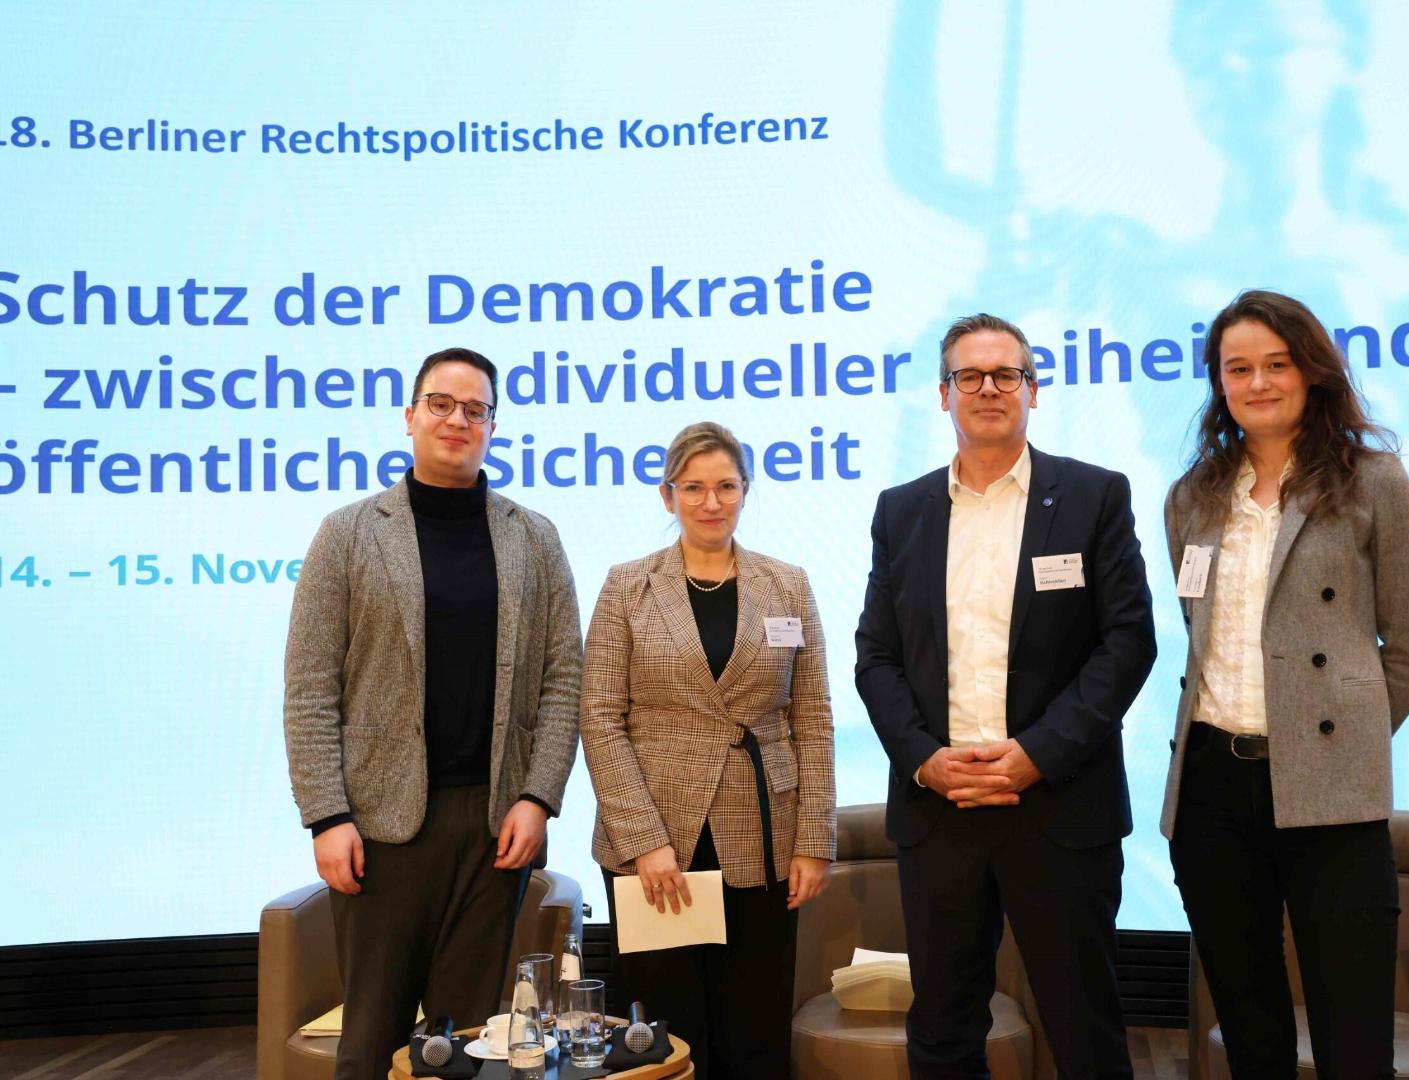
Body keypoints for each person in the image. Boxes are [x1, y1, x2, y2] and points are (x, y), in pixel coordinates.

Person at [855, 313, 1156, 1079]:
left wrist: (1036, 754)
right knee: (943, 1033)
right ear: (943, 394)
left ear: (1032, 389)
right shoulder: (901, 510)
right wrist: (924, 760)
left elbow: (1127, 643)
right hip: (940, 810)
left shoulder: (1093, 496)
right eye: (969, 376)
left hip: (1058, 806)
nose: (987, 388)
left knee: (1083, 1031)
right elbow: (876, 657)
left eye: (1005, 374)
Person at [1160, 289, 1409, 1079]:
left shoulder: (1372, 482)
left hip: (1329, 786)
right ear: (1218, 382)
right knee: (1248, 1031)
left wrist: (1342, 735)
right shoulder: (1191, 496)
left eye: (1275, 364)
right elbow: (1198, 631)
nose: (1257, 383)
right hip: (1211, 786)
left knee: (1352, 1038)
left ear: (1311, 371)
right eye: (1237, 368)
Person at [283, 347, 582, 1080]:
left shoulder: (534, 537)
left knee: (467, 1045)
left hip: (495, 827)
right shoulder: (349, 533)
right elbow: (310, 686)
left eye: (475, 409)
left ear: (492, 427)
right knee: (371, 1043)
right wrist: (326, 815)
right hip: (378, 829)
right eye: (441, 404)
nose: (457, 420)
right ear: (410, 416)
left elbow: (562, 678)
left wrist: (538, 797)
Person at [579, 420, 835, 1079]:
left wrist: (814, 839)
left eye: (726, 486)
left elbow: (812, 718)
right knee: (667, 1034)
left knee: (754, 1027)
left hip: (765, 832)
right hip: (657, 838)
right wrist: (644, 841)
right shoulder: (627, 586)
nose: (711, 501)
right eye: (692, 487)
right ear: (667, 495)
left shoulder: (787, 585)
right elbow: (599, 718)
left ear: (746, 490)